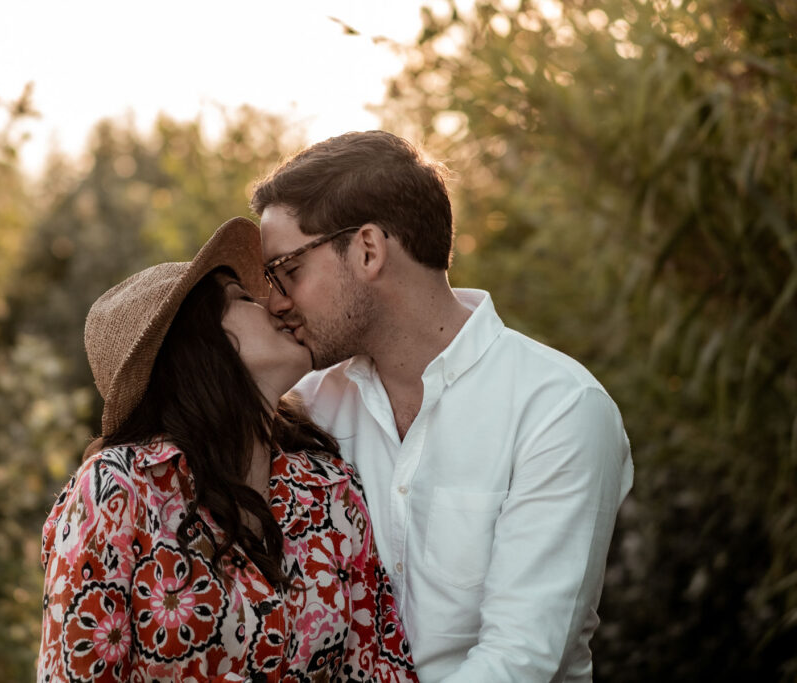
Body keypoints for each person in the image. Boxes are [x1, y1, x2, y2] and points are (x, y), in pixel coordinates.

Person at [250, 131, 634, 682]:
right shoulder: (309, 407)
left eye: (287, 271)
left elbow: (522, 659)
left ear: (367, 250)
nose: (277, 301)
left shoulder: (558, 409)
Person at [36, 217, 418, 682]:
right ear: (201, 346)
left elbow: (380, 668)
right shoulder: (117, 492)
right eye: (242, 299)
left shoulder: (331, 494)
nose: (275, 306)